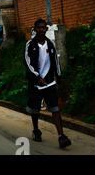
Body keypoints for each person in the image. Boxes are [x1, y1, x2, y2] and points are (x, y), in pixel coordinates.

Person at [25, 18, 71, 149]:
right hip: (36, 83)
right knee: (35, 109)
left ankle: (61, 136)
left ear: (46, 29)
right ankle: (36, 130)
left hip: (49, 82)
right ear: (35, 29)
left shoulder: (50, 44)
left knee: (55, 109)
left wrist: (59, 78)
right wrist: (37, 77)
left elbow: (56, 62)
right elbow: (27, 63)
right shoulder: (30, 44)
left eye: (43, 27)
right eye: (39, 27)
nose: (41, 29)